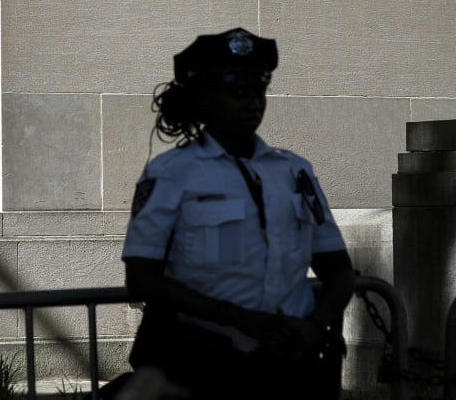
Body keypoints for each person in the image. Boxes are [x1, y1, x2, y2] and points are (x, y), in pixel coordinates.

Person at [119, 27, 356, 400]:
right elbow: (142, 279)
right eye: (238, 92)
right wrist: (235, 317)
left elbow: (339, 271)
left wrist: (313, 327)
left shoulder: (295, 171)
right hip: (202, 367)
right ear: (204, 98)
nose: (253, 104)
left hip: (290, 369)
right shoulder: (170, 173)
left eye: (259, 91)